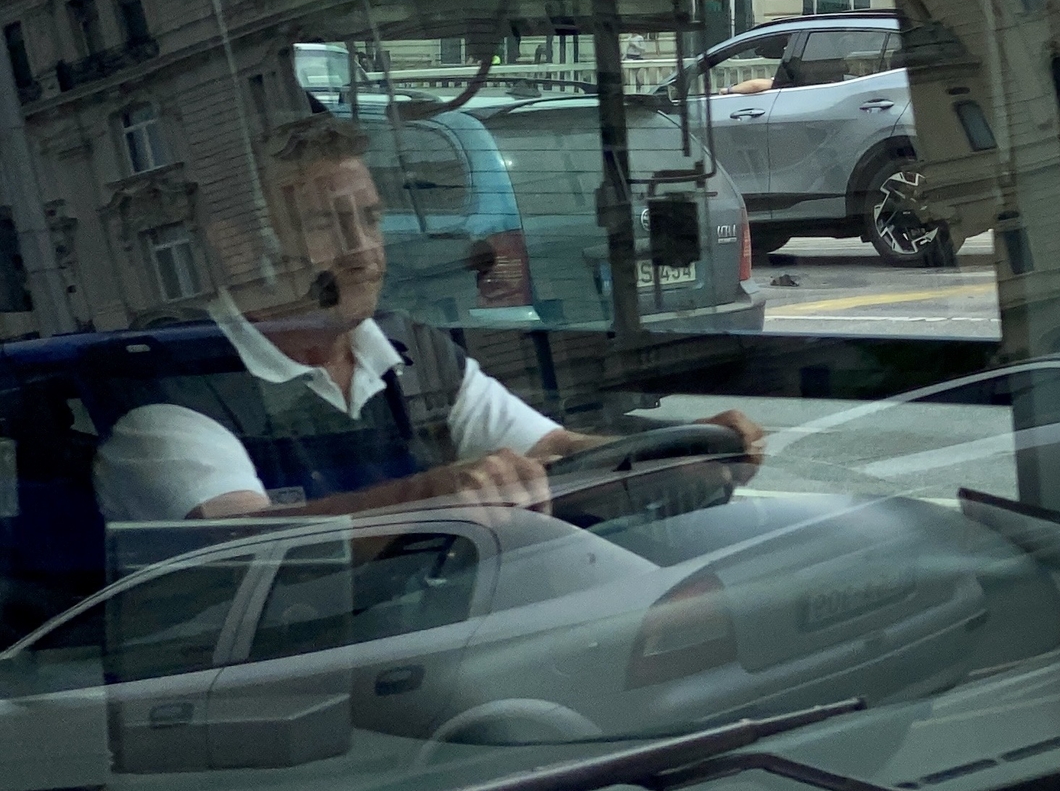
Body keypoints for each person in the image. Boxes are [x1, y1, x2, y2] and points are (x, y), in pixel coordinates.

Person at [93, 113, 759, 525]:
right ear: (241, 246)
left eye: (371, 217)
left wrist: (686, 448)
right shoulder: (171, 391)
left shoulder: (409, 351)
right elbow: (249, 542)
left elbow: (548, 450)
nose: (360, 249)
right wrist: (429, 494)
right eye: (326, 222)